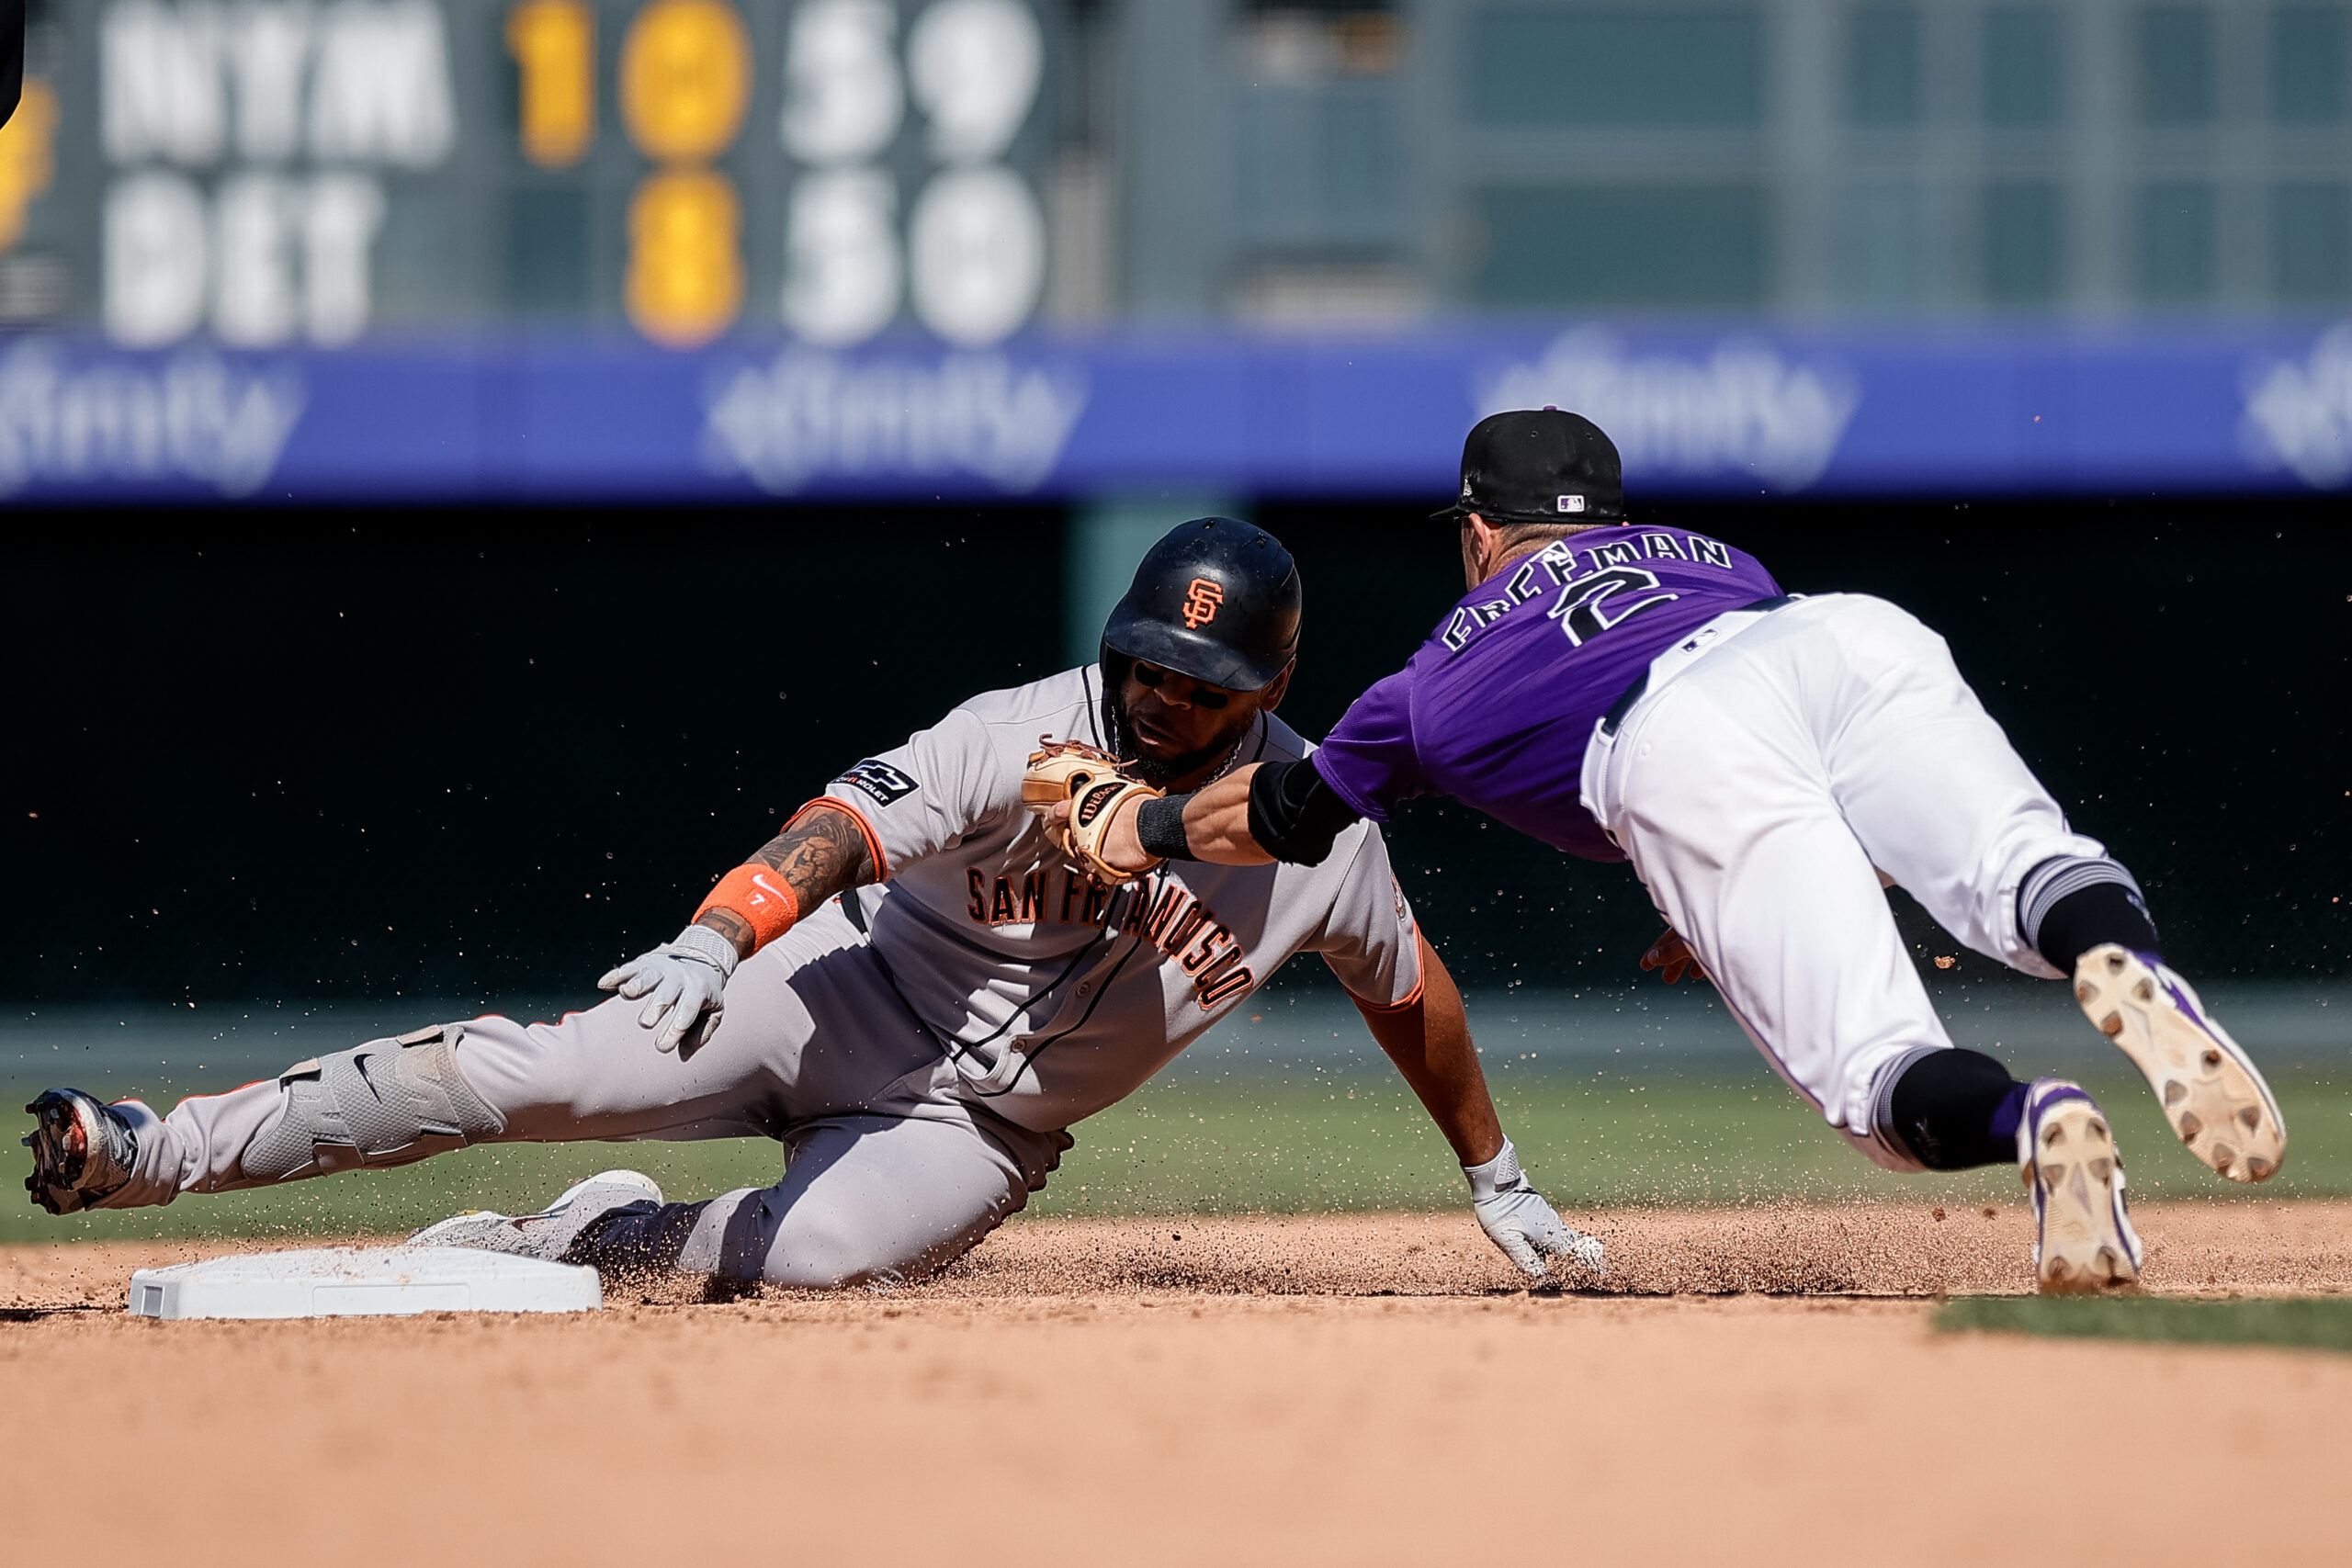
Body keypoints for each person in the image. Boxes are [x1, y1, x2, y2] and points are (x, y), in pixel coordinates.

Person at [23, 517, 1602, 1290]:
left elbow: (1412, 992)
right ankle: (151, 1150)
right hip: (838, 990)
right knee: (531, 1073)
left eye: (1202, 684)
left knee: (809, 1273)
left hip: (978, 1130)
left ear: (1268, 686)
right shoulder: (1016, 731)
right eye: (1144, 663)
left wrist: (1497, 1169)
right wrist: (729, 932)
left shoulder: (1320, 829)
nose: (1160, 693)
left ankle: (583, 1239)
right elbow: (845, 823)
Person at [1057, 411, 2286, 1294]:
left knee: (1875, 1075)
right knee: (2022, 865)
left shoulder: (1430, 679)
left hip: (1681, 751)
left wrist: (1143, 825)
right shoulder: (1712, 558)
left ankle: (2035, 1118)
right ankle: (2122, 960)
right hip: (1841, 635)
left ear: (1480, 534)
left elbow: (1277, 817)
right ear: (1615, 519)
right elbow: (1793, 760)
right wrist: (1735, 880)